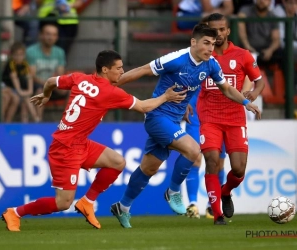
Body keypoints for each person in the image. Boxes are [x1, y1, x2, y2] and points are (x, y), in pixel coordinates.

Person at [1, 50, 187, 232]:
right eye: (118, 68)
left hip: (79, 143)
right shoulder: (110, 92)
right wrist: (166, 97)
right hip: (65, 149)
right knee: (63, 203)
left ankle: (87, 202)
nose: (122, 72)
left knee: (117, 162)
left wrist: (47, 95)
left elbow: (50, 81)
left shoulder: (79, 78)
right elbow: (144, 106)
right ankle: (15, 212)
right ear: (105, 70)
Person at [110, 23, 261, 228]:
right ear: (193, 42)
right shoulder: (176, 59)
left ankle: (123, 206)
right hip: (157, 115)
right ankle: (173, 192)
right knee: (193, 150)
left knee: (148, 167)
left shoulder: (211, 64)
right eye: (206, 43)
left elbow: (226, 88)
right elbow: (144, 70)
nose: (210, 48)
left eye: (212, 44)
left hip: (175, 119)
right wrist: (110, 86)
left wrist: (246, 103)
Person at [196, 13, 265, 225]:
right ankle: (217, 214)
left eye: (221, 29)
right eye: (213, 30)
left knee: (238, 169)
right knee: (212, 161)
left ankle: (226, 192)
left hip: (235, 117)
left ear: (228, 31)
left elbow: (259, 80)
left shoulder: (242, 55)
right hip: (209, 116)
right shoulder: (201, 55)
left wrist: (253, 93)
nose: (217, 34)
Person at [182, 87, 226, 219]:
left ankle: (212, 205)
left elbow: (246, 78)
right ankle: (192, 204)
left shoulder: (221, 68)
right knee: (194, 157)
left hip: (219, 116)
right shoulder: (194, 66)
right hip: (196, 115)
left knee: (217, 162)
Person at [26, 21, 67, 121]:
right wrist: (49, 82)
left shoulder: (59, 52)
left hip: (53, 84)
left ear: (57, 37)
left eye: (54, 35)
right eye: (48, 34)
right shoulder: (31, 51)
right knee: (41, 91)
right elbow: (32, 76)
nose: (51, 37)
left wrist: (54, 82)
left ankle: (66, 121)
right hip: (37, 85)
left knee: (71, 91)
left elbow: (60, 74)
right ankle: (38, 121)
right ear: (41, 35)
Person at [2, 42, 40, 123]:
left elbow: (29, 77)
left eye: (21, 55)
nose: (19, 57)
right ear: (12, 55)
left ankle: (32, 119)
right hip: (7, 86)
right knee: (18, 98)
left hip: (16, 88)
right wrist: (20, 91)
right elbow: (14, 78)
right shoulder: (11, 63)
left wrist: (30, 90)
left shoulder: (25, 63)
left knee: (26, 98)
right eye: (16, 55)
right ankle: (7, 122)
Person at [237, 0, 282, 68]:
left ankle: (290, 78)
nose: (262, 1)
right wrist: (247, 46)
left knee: (284, 54)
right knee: (243, 55)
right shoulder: (247, 10)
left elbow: (276, 39)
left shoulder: (272, 15)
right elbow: (240, 22)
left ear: (270, 2)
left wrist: (270, 50)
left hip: (265, 51)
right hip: (248, 49)